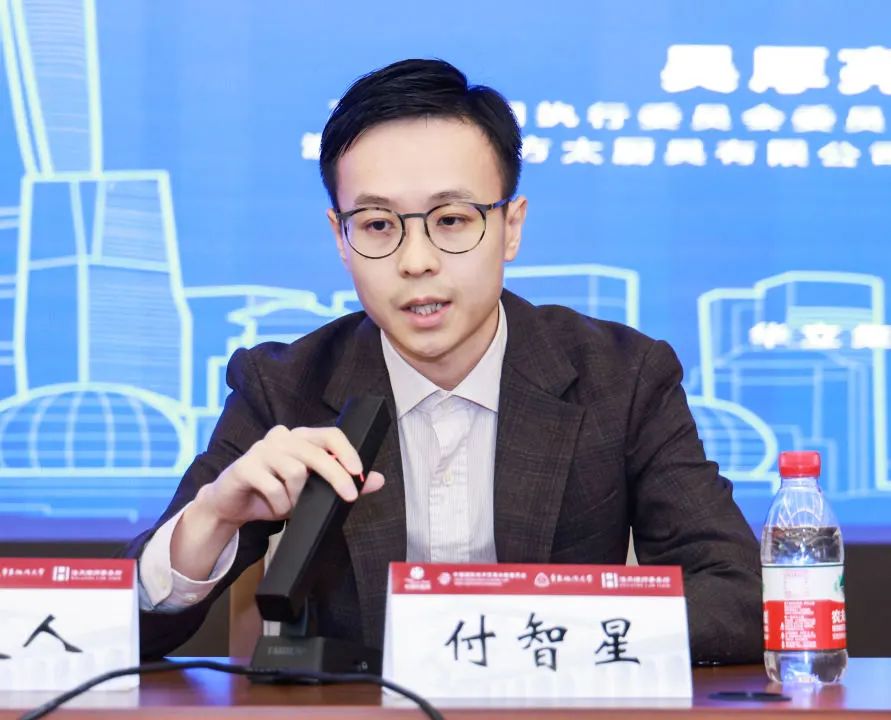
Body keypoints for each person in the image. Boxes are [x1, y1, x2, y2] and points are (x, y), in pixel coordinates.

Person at [126, 58, 762, 664]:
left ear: (512, 226)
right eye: (378, 225)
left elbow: (738, 596)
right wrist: (214, 516)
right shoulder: (285, 387)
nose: (417, 261)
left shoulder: (621, 378)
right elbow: (129, 627)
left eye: (452, 220)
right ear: (340, 238)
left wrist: (524, 637)